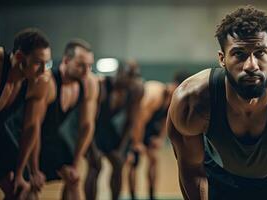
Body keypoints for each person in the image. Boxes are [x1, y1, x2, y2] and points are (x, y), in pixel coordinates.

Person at [166, 6, 267, 200]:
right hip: (219, 180)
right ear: (222, 59)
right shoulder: (191, 103)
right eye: (239, 54)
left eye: (260, 53)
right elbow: (192, 169)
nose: (251, 65)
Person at [31, 39, 99, 199]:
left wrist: (75, 163)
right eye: (81, 65)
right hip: (27, 138)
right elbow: (33, 127)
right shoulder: (48, 82)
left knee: (74, 179)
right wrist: (33, 169)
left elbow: (87, 126)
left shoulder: (88, 82)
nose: (86, 71)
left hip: (52, 138)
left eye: (90, 66)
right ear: (66, 60)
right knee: (25, 188)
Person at [0, 28, 52, 200]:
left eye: (47, 63)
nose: (43, 70)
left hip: (0, 131)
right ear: (20, 57)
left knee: (21, 189)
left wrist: (20, 172)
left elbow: (31, 128)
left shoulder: (39, 82)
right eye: (38, 63)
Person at [84, 60, 144, 200]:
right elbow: (88, 121)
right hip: (92, 131)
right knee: (95, 166)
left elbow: (131, 123)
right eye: (129, 76)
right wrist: (92, 149)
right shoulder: (102, 86)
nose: (132, 80)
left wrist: (121, 151)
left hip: (111, 133)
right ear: (120, 73)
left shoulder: (135, 91)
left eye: (134, 77)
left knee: (118, 164)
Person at [128, 70, 191, 200]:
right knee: (134, 161)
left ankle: (152, 195)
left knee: (153, 159)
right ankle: (132, 196)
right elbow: (138, 120)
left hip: (147, 126)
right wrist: (136, 143)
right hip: (133, 125)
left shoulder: (174, 99)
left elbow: (166, 120)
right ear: (176, 85)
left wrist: (160, 138)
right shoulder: (155, 92)